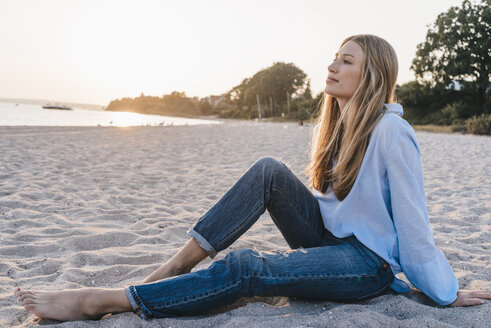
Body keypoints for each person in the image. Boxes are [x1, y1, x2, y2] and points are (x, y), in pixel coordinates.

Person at [15, 34, 490, 321]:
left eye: (347, 60)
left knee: (246, 268)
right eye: (334, 56)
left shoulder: (393, 131)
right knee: (269, 171)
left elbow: (414, 223)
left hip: (367, 265)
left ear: (372, 75)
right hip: (330, 241)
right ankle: (175, 267)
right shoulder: (340, 126)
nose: (332, 65)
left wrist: (440, 292)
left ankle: (113, 300)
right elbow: (332, 208)